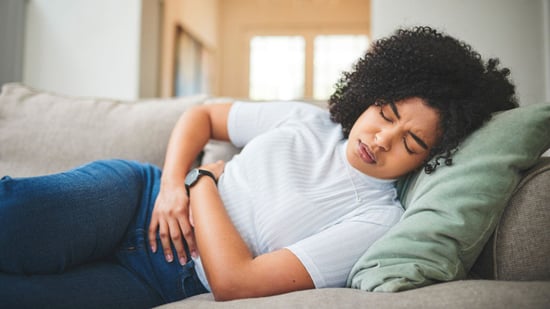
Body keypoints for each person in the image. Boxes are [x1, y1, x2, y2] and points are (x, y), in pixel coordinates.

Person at [0, 26, 517, 308]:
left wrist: (201, 181)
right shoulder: (305, 121)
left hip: (166, 282)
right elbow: (202, 116)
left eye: (411, 141)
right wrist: (172, 185)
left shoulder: (378, 221)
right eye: (385, 112)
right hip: (134, 199)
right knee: (13, 216)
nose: (381, 140)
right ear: (369, 95)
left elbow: (233, 282)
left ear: (434, 157)